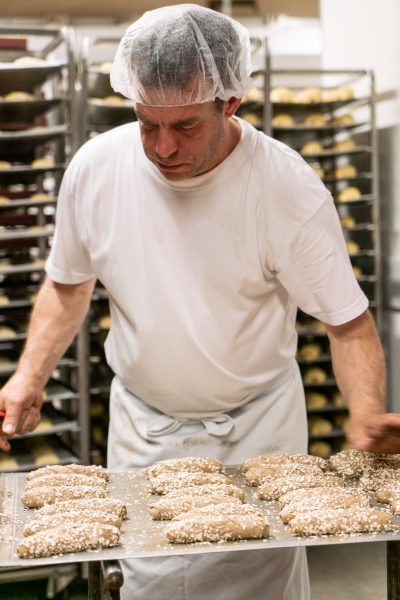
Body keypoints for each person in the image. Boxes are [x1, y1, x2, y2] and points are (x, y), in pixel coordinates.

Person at [0, 4, 399, 599]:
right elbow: (67, 283)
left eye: (185, 126)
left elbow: (347, 322)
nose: (162, 146)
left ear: (229, 103)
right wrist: (28, 377)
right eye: (146, 122)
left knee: (257, 585)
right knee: (149, 584)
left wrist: (365, 414)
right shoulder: (96, 169)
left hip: (257, 430)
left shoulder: (285, 187)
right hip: (144, 425)